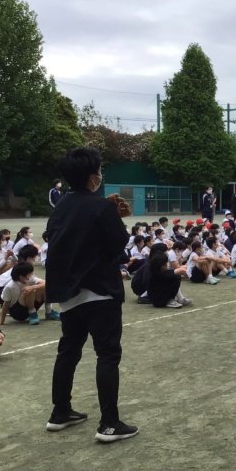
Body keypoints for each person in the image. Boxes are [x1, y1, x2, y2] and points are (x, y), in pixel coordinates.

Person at [46, 146, 138, 443]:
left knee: (68, 350)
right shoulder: (100, 206)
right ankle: (109, 424)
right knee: (107, 354)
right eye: (99, 170)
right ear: (92, 175)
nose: (100, 175)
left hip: (68, 292)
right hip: (100, 290)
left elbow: (55, 236)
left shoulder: (60, 205)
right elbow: (119, 244)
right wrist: (110, 211)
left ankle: (60, 412)